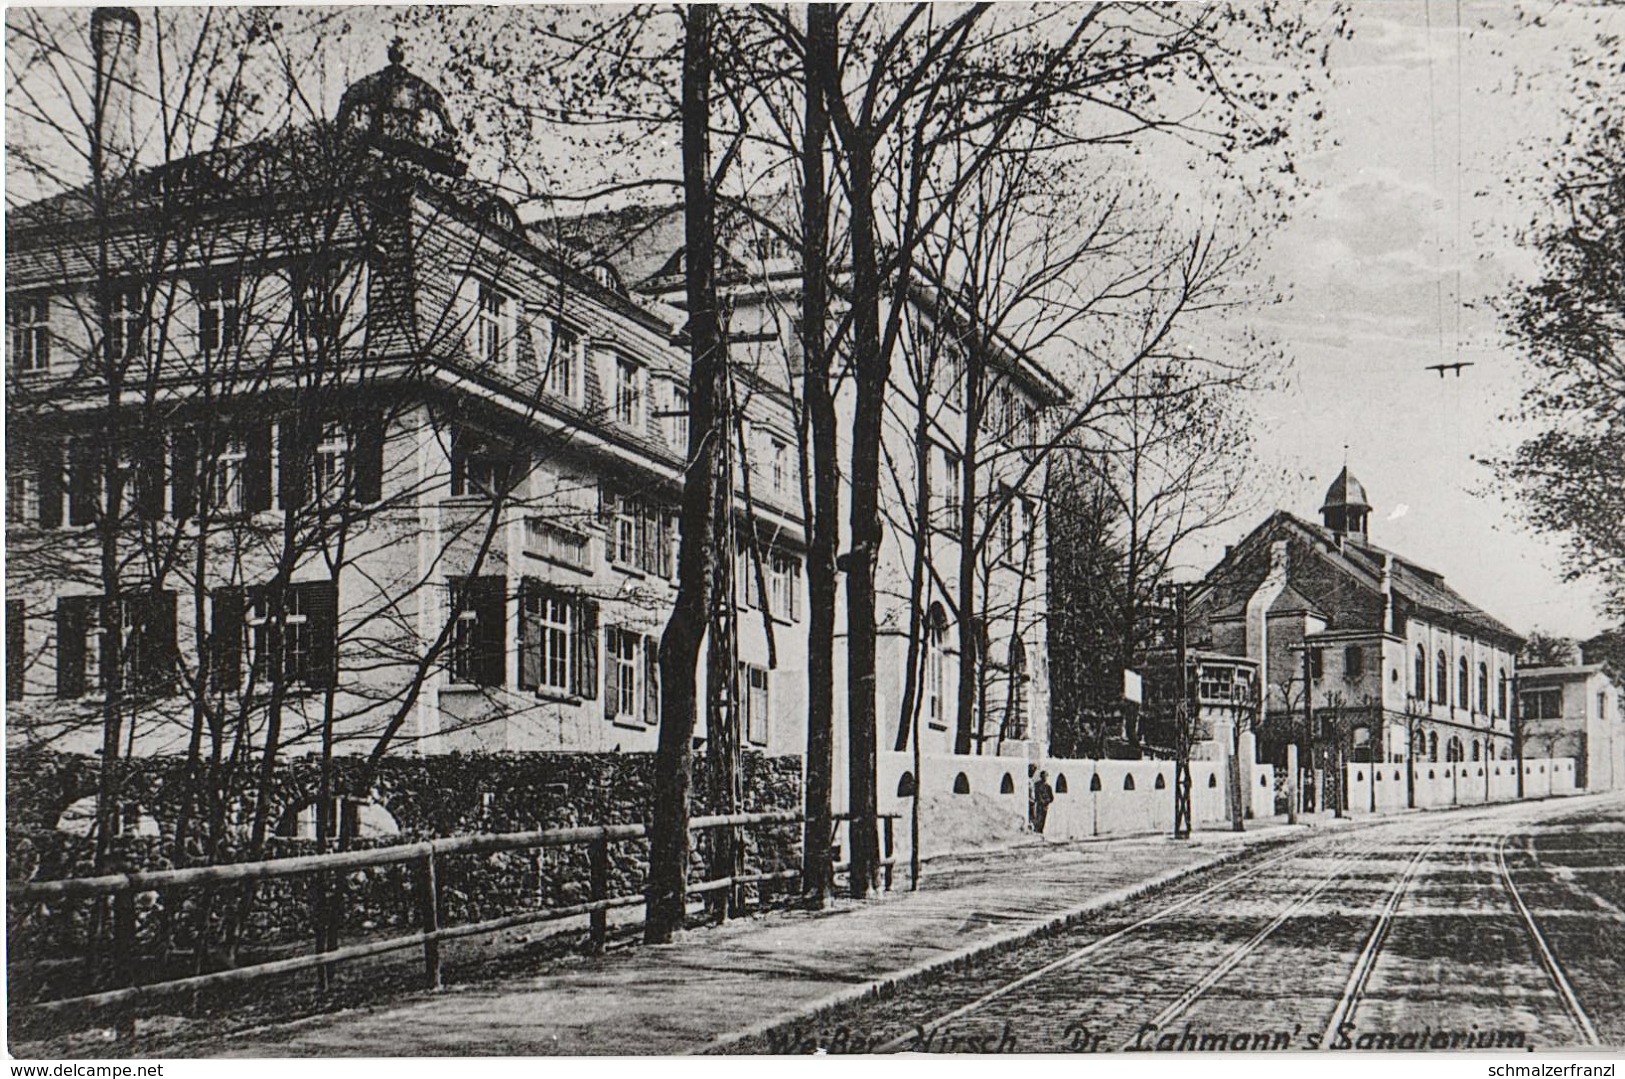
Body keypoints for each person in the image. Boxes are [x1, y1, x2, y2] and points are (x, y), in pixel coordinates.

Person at [1032, 769, 1054, 835]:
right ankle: (1037, 831)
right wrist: (1040, 800)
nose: (1044, 778)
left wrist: (1046, 801)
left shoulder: (1048, 787)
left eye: (1046, 776)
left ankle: (1041, 831)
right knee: (1038, 818)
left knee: (1043, 819)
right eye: (1043, 776)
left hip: (1045, 806)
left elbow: (1051, 798)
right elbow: (1036, 794)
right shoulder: (1037, 785)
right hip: (1039, 805)